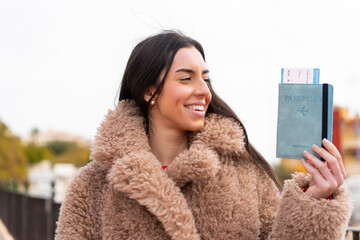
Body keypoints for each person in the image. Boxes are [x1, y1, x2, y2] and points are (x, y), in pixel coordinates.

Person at [55, 30, 353, 240]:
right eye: (186, 78)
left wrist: (314, 204)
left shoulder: (247, 176)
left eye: (206, 79)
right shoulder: (93, 186)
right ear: (149, 91)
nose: (203, 90)